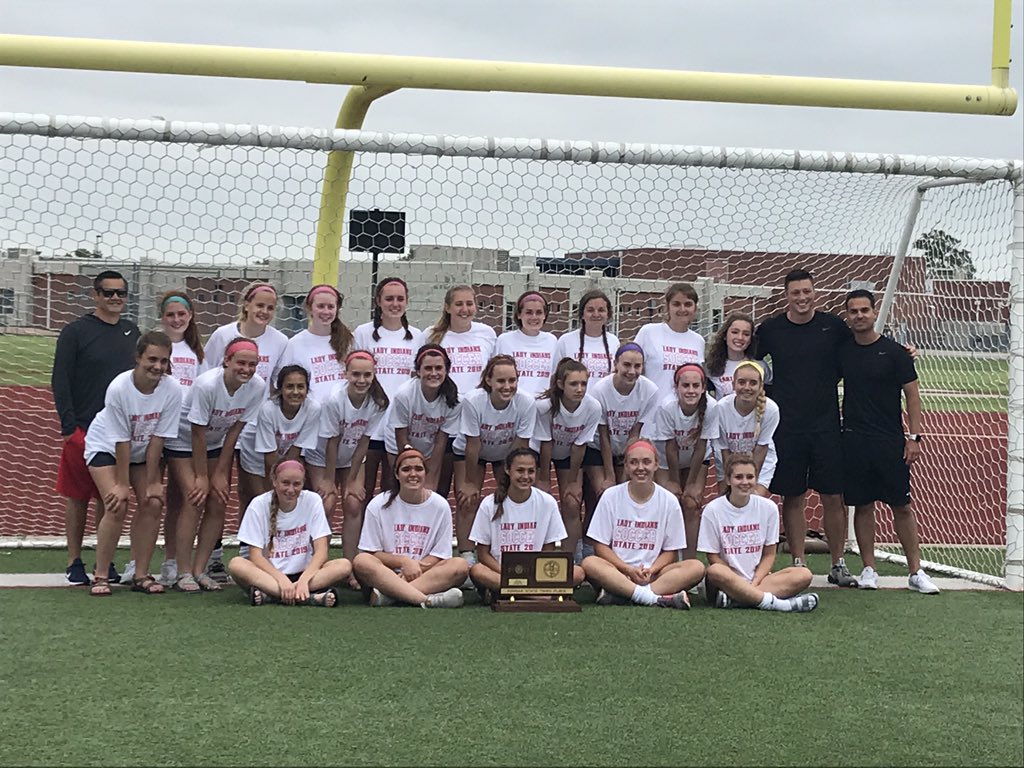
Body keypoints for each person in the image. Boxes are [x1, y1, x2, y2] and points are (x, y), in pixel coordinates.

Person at [753, 268, 858, 585]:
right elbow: (746, 362)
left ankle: (838, 563)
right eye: (795, 292)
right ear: (786, 295)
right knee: (793, 496)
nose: (802, 297)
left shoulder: (833, 326)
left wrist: (902, 352)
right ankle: (798, 562)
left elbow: (859, 350)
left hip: (826, 423)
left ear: (815, 293)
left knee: (833, 495)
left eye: (807, 291)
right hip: (787, 425)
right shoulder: (771, 329)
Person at [840, 290, 940, 594]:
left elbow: (912, 395)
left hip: (890, 440)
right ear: (848, 316)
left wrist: (914, 437)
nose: (859, 316)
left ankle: (915, 571)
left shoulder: (896, 353)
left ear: (874, 313)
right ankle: (869, 568)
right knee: (862, 505)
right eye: (853, 311)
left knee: (902, 505)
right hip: (855, 440)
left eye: (864, 310)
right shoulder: (842, 351)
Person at [52, 270, 140, 586]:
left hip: (117, 432)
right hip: (83, 427)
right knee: (78, 496)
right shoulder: (75, 331)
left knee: (110, 498)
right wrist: (68, 427)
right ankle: (74, 561)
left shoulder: (132, 332)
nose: (115, 298)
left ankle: (106, 560)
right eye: (108, 293)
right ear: (95, 295)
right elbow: (60, 380)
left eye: (121, 293)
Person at [83, 331, 182, 596]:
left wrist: (152, 483)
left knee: (152, 502)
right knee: (117, 504)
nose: (158, 366)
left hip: (142, 452)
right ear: (138, 358)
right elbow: (120, 441)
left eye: (164, 361)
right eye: (152, 359)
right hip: (106, 447)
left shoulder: (172, 390)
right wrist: (122, 484)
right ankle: (101, 574)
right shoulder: (119, 388)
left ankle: (141, 573)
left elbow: (157, 441)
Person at [164, 337, 266, 592]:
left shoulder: (257, 386)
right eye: (240, 363)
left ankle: (201, 570)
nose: (246, 369)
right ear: (226, 361)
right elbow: (196, 432)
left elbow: (234, 431)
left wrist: (220, 472)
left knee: (219, 499)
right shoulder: (207, 385)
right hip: (182, 441)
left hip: (215, 444)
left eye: (252, 364)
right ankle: (182, 571)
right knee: (195, 497)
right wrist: (202, 476)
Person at [202, 280, 288, 579]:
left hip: (256, 427)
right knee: (216, 490)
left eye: (270, 307)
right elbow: (209, 375)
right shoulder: (223, 335)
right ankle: (212, 554)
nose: (264, 311)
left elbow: (278, 384)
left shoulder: (279, 341)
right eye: (259, 305)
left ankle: (249, 554)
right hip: (220, 426)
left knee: (254, 493)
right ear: (246, 305)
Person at [581, 439, 705, 608]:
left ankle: (622, 594)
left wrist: (652, 570)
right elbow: (600, 546)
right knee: (590, 563)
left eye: (646, 462)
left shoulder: (669, 501)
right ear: (625, 466)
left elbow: (671, 552)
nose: (640, 468)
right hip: (618, 571)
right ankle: (652, 598)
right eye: (633, 462)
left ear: (656, 464)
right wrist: (627, 569)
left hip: (655, 575)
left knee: (696, 567)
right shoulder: (610, 496)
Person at [698, 453, 819, 612]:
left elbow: (769, 554)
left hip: (759, 579)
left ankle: (740, 600)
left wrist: (754, 582)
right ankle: (779, 604)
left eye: (750, 477)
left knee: (803, 574)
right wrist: (737, 582)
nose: (745, 482)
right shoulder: (713, 510)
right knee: (714, 571)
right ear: (728, 480)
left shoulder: (768, 508)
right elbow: (713, 557)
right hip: (726, 580)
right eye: (738, 477)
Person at [352, 447, 469, 608]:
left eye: (418, 469)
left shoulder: (440, 505)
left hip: (424, 574)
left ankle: (390, 596)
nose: (413, 474)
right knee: (361, 561)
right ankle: (427, 600)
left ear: (425, 473)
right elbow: (370, 552)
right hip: (385, 574)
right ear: (396, 474)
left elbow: (440, 555)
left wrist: (414, 570)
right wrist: (404, 562)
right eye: (406, 469)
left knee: (460, 566)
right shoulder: (378, 505)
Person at [228, 459, 352, 607]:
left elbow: (321, 551)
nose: (291, 490)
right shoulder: (258, 505)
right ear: (274, 481)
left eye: (296, 484)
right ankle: (309, 597)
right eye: (285, 483)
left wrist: (304, 580)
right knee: (236, 565)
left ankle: (272, 595)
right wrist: (282, 580)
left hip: (305, 574)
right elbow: (256, 556)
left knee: (344, 565)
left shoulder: (312, 500)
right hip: (270, 575)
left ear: (303, 483)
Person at [452, 355, 536, 574]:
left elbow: (520, 447)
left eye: (512, 380)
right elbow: (472, 444)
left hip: (506, 453)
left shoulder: (526, 403)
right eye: (501, 381)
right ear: (488, 380)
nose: (507, 386)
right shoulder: (474, 400)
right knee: (467, 499)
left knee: (508, 497)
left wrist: (510, 479)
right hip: (470, 452)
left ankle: (502, 553)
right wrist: (470, 482)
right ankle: (467, 556)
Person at [468, 448, 584, 599]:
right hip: (500, 572)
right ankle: (537, 595)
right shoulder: (489, 504)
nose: (525, 476)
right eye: (520, 470)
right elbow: (483, 554)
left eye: (531, 471)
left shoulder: (547, 502)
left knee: (578, 573)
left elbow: (547, 550)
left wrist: (532, 577)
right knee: (477, 571)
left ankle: (509, 592)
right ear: (508, 470)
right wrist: (508, 574)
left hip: (536, 574)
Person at [316, 350, 389, 584]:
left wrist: (353, 479)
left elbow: (365, 441)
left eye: (367, 375)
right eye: (355, 374)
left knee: (354, 502)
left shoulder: (378, 402)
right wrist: (328, 479)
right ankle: (319, 564)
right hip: (321, 457)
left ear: (374, 374)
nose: (361, 380)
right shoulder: (334, 400)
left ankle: (350, 566)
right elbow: (331, 441)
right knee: (326, 503)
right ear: (345, 374)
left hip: (351, 457)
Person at [152, 289, 205, 586]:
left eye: (181, 314)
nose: (176, 319)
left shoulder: (197, 352)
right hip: (156, 432)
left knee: (183, 497)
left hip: (185, 436)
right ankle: (140, 562)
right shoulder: (155, 347)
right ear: (162, 318)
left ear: (190, 316)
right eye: (170, 315)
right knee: (152, 498)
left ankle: (174, 561)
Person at [353, 277, 423, 497]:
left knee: (392, 486)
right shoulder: (363, 333)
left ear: (407, 302)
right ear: (378, 301)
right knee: (363, 488)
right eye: (389, 298)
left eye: (400, 299)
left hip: (400, 424)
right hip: (370, 423)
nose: (395, 304)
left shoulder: (417, 336)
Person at [646, 363, 719, 559]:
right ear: (676, 387)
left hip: (696, 460)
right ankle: (664, 559)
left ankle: (689, 561)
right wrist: (675, 482)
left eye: (696, 386)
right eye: (685, 386)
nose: (691, 390)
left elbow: (701, 447)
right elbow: (670, 448)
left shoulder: (712, 407)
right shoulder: (667, 406)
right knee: (670, 501)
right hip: (666, 462)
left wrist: (691, 484)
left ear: (703, 388)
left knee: (691, 503)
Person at [533, 358, 602, 560]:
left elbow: (580, 445)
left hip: (570, 454)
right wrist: (544, 479)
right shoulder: (543, 407)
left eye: (583, 384)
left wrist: (572, 482)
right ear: (561, 384)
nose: (579, 389)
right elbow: (545, 444)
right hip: (541, 453)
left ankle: (571, 558)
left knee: (572, 501)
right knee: (541, 500)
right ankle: (536, 554)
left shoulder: (592, 407)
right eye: (573, 383)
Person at [237, 365, 321, 514]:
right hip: (256, 455)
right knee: (261, 501)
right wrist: (275, 486)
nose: (295, 392)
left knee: (285, 501)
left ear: (307, 389)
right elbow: (269, 459)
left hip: (286, 454)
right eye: (289, 387)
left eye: (300, 387)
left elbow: (296, 451)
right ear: (280, 389)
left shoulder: (313, 409)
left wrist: (286, 476)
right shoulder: (268, 410)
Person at [385, 344, 461, 499]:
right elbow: (401, 437)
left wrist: (430, 482)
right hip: (399, 443)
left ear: (446, 370)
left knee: (430, 492)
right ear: (418, 371)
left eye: (439, 368)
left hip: (430, 445)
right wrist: (410, 461)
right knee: (399, 488)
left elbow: (441, 443)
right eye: (428, 368)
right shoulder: (404, 395)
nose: (434, 373)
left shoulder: (454, 399)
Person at [713, 361, 779, 496]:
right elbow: (724, 450)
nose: (747, 387)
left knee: (753, 500)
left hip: (759, 462)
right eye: (741, 382)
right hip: (728, 461)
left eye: (753, 383)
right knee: (728, 501)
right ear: (733, 385)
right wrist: (731, 478)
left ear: (761, 386)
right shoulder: (720, 409)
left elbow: (761, 448)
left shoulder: (771, 409)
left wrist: (749, 479)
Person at [633, 283, 706, 393]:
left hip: (685, 409)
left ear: (695, 308)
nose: (682, 309)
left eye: (688, 304)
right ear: (667, 307)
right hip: (654, 408)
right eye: (676, 304)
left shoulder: (699, 341)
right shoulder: (648, 332)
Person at [426, 284, 497, 395]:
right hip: (445, 403)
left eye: (469, 304)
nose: (465, 309)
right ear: (447, 307)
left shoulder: (487, 333)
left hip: (477, 403)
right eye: (459, 304)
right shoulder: (431, 335)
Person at [494, 291, 558, 397]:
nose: (534, 317)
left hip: (543, 404)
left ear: (545, 315)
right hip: (513, 402)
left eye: (539, 312)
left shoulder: (552, 341)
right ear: (519, 314)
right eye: (528, 312)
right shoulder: (504, 340)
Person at [554, 289, 620, 381]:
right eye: (590, 310)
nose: (596, 314)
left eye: (601, 310)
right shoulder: (566, 341)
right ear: (582, 314)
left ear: (608, 315)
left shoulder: (614, 341)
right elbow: (556, 376)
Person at [705, 311, 772, 398]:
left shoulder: (760, 366)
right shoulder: (710, 366)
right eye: (735, 332)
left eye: (746, 334)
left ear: (751, 339)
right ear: (725, 335)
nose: (740, 337)